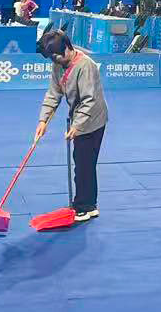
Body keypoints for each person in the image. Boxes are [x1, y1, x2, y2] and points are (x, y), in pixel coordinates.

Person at [33, 27, 107, 222]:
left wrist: (77, 126)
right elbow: (53, 93)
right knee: (83, 163)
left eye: (57, 56)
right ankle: (88, 204)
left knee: (84, 165)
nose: (55, 61)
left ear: (67, 47)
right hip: (78, 118)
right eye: (52, 58)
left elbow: (89, 100)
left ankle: (84, 206)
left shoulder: (86, 66)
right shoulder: (58, 64)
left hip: (92, 120)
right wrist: (43, 120)